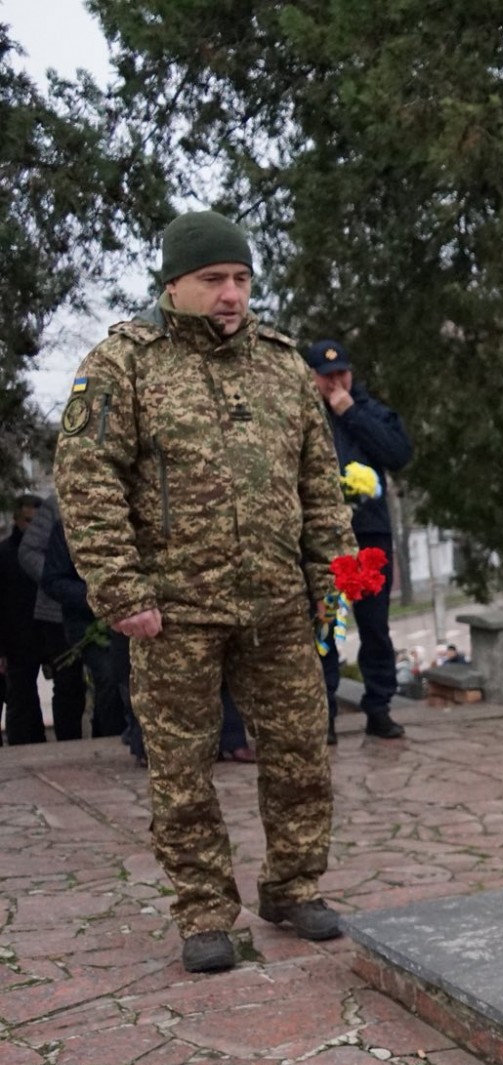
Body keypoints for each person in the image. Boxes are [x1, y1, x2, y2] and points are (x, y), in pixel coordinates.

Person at [55, 209, 355, 975]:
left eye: (242, 279)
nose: (231, 295)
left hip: (278, 603)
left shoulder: (283, 365)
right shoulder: (124, 364)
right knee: (183, 768)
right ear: (174, 285)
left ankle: (293, 885)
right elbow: (87, 482)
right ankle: (204, 912)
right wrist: (123, 590)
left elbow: (319, 483)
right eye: (214, 279)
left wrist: (338, 579)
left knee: (299, 754)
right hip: (173, 612)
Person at [304, 337, 413, 744]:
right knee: (327, 625)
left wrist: (350, 413)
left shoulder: (370, 411)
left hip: (369, 535)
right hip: (322, 540)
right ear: (311, 377)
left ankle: (379, 707)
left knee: (375, 628)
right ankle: (325, 713)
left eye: (341, 374)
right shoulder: (305, 417)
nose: (336, 383)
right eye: (326, 377)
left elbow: (398, 453)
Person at [25, 495, 125, 741]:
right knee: (96, 678)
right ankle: (99, 737)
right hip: (80, 616)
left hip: (124, 614)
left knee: (122, 679)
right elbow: (44, 569)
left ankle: (116, 732)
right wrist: (91, 595)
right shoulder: (62, 516)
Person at [1, 495, 45, 744]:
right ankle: (20, 744)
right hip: (16, 638)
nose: (32, 528)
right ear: (17, 519)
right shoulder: (5, 555)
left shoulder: (49, 551)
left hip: (46, 633)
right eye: (28, 521)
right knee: (20, 696)